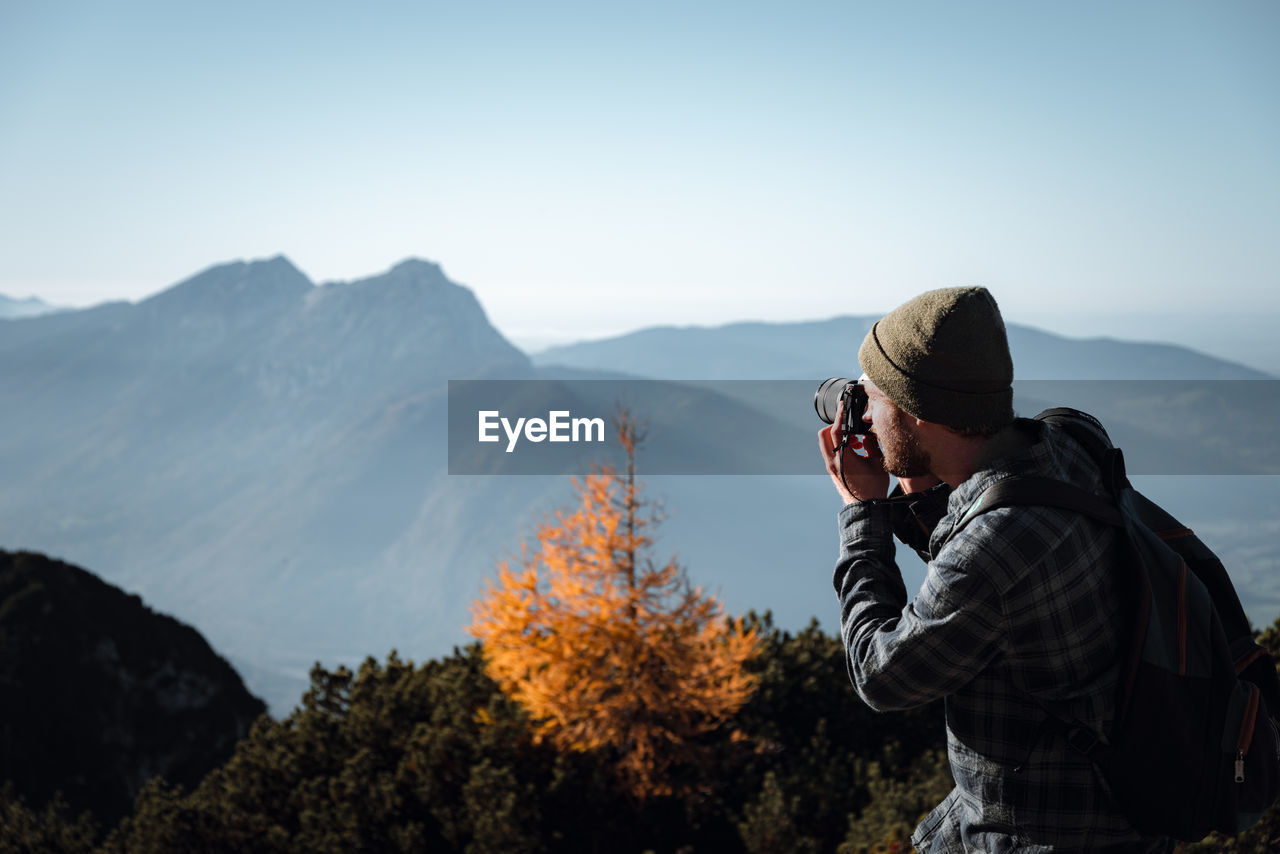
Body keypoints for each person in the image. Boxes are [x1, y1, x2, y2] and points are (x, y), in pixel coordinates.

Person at [817, 286, 1171, 853]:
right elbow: (1006, 591)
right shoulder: (1073, 441)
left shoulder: (992, 550)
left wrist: (863, 513)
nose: (863, 412)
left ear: (916, 412)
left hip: (1042, 834)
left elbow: (881, 676)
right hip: (1119, 806)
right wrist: (923, 494)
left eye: (873, 398)